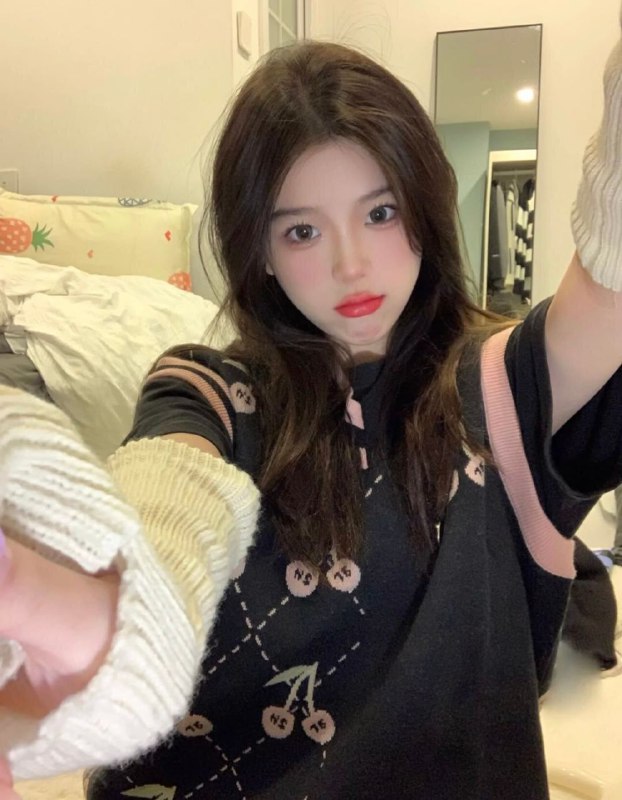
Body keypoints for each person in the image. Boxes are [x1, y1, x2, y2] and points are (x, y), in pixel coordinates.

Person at [1, 8, 622, 798]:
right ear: (260, 249)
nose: (350, 264)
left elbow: (610, 270)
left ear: (424, 209)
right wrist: (112, 614)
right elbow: (168, 497)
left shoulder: (506, 386)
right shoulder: (208, 390)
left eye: (380, 212)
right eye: (301, 232)